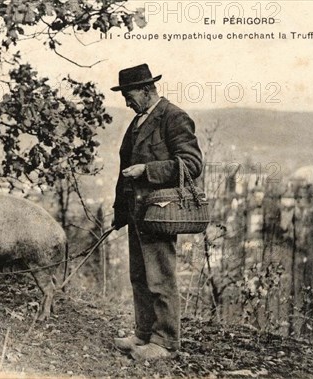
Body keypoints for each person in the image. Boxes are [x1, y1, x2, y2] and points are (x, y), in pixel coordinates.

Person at [110, 64, 203, 361]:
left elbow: (191, 164)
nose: (126, 101)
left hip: (160, 213)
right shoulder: (138, 121)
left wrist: (147, 170)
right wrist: (120, 212)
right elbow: (124, 172)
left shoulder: (174, 117)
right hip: (137, 213)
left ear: (147, 90)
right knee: (139, 275)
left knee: (160, 277)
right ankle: (144, 333)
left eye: (129, 94)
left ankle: (165, 343)